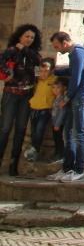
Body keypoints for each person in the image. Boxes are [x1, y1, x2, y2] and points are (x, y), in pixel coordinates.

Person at [48, 30, 84, 182]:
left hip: (83, 97)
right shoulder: (78, 52)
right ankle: (67, 168)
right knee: (68, 134)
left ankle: (79, 169)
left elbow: (76, 77)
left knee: (79, 134)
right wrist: (56, 71)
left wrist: (67, 96)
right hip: (79, 97)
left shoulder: (77, 53)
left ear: (65, 43)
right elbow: (73, 71)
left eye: (57, 46)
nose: (57, 50)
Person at [0, 23, 42, 176]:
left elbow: (39, 62)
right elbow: (2, 63)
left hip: (26, 95)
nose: (29, 39)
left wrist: (24, 49)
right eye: (26, 36)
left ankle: (13, 166)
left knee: (21, 129)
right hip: (11, 93)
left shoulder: (33, 54)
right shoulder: (11, 51)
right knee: (5, 128)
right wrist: (7, 71)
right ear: (20, 36)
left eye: (32, 37)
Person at [24, 57, 56, 161]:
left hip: (45, 109)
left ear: (51, 70)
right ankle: (34, 152)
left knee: (39, 130)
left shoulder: (54, 80)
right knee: (33, 131)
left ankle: (34, 150)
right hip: (34, 108)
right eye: (41, 71)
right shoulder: (37, 81)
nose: (43, 73)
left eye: (46, 71)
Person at [51, 76, 67, 160]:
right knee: (56, 139)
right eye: (53, 88)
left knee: (59, 140)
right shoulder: (55, 98)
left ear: (64, 88)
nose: (55, 90)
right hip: (54, 123)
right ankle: (57, 152)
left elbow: (62, 112)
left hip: (59, 124)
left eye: (58, 88)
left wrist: (57, 124)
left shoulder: (62, 99)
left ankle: (60, 153)